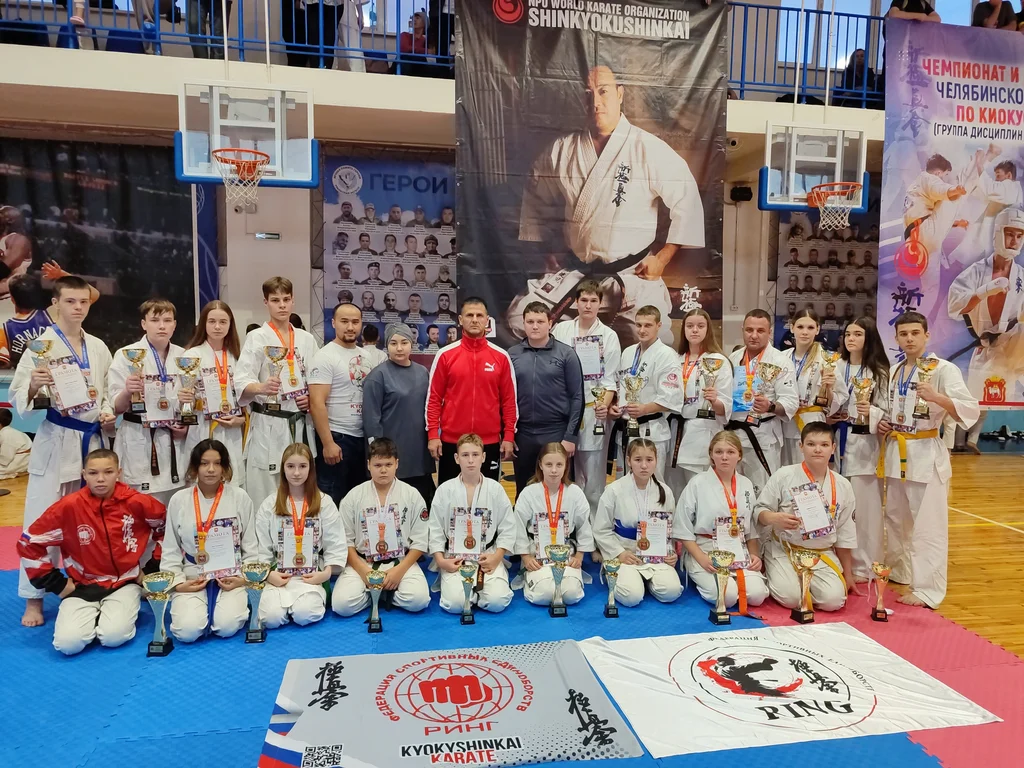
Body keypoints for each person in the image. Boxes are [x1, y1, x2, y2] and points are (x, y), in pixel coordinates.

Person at [513, 65, 704, 344]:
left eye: (603, 91)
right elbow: (535, 195)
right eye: (588, 94)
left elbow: (687, 200)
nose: (596, 102)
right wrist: (548, 249)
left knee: (653, 339)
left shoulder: (647, 147)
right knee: (519, 320)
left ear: (620, 94)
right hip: (577, 274)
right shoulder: (562, 149)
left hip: (630, 276)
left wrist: (661, 259)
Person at [12, 275, 115, 628]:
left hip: (91, 444)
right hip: (56, 441)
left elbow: (105, 391)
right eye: (70, 301)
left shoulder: (98, 347)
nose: (78, 308)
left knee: (91, 520)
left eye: (83, 301)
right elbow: (19, 401)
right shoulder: (39, 346)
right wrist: (32, 386)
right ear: (55, 303)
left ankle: (90, 583)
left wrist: (107, 412)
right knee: (41, 522)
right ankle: (33, 598)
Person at [16, 449, 166, 654]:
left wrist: (151, 570)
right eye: (93, 473)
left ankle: (113, 615)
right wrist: (57, 583)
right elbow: (28, 543)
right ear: (84, 474)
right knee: (68, 645)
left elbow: (168, 531)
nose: (101, 479)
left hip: (124, 584)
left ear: (119, 473)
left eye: (108, 472)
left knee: (113, 637)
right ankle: (93, 617)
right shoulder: (68, 507)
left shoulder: (138, 502)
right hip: (81, 586)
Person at [879, 312, 979, 607]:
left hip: (925, 451)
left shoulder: (944, 369)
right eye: (903, 334)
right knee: (895, 519)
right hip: (897, 450)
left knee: (928, 525)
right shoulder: (895, 370)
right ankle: (900, 571)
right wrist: (884, 423)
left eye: (915, 333)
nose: (909, 339)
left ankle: (928, 589)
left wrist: (937, 397)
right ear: (896, 338)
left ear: (927, 335)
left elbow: (969, 409)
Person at [160, 440, 258, 642]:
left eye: (217, 463)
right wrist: (178, 584)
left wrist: (243, 578)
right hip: (192, 575)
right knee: (186, 632)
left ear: (225, 467)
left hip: (231, 575)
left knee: (226, 627)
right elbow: (170, 548)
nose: (211, 469)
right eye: (204, 463)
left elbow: (250, 546)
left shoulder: (239, 497)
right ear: (195, 467)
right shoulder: (179, 500)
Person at [755, 422, 859, 613]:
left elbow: (846, 533)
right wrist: (774, 518)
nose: (817, 450)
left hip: (821, 552)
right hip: (785, 548)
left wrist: (848, 574)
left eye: (824, 445)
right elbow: (759, 511)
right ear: (801, 446)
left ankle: (804, 584)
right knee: (791, 599)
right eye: (811, 444)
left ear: (833, 448)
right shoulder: (784, 475)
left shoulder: (843, 485)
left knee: (833, 601)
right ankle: (783, 577)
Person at [236, 277, 319, 506]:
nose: (282, 305)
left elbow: (317, 379)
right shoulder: (256, 337)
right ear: (266, 302)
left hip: (299, 422)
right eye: (275, 300)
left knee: (300, 491)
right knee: (265, 493)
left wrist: (310, 398)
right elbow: (241, 380)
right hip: (268, 422)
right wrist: (261, 387)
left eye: (286, 299)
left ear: (293, 301)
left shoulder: (307, 339)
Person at [948, 208, 1024, 450]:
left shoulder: (1022, 277)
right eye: (1010, 234)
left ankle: (971, 440)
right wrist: (984, 291)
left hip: (1013, 342)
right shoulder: (976, 272)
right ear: (998, 233)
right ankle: (959, 442)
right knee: (975, 397)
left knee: (1000, 395)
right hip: (985, 344)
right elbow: (955, 306)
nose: (1014, 241)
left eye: (1019, 235)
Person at [334, 438, 431, 616]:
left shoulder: (411, 495)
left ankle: (381, 594)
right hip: (363, 562)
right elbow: (345, 541)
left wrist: (399, 571)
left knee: (419, 600)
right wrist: (363, 572)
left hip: (400, 561)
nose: (383, 470)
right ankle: (378, 594)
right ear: (368, 465)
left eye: (388, 464)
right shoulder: (353, 497)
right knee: (342, 606)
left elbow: (421, 540)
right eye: (378, 465)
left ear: (397, 464)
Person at [427, 297, 517, 484]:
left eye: (479, 315)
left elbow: (509, 401)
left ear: (487, 320)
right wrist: (433, 435)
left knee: (488, 496)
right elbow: (433, 399)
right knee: (450, 497)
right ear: (460, 320)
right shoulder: (445, 355)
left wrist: (509, 435)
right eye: (469, 315)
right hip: (452, 442)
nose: (474, 320)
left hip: (489, 443)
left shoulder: (501, 357)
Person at [675, 431, 768, 610]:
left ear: (739, 455)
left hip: (738, 549)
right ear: (711, 454)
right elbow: (682, 526)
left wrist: (754, 554)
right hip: (705, 548)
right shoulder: (697, 483)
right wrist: (701, 558)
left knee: (757, 596)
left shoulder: (746, 484)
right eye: (719, 452)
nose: (724, 457)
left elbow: (751, 527)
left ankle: (733, 580)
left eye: (730, 452)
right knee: (728, 596)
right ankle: (698, 575)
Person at [255, 443, 346, 628]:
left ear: (311, 468)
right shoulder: (269, 504)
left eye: (302, 466)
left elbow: (335, 543)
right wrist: (268, 574)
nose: (296, 473)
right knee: (270, 619)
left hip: (311, 574)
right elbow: (262, 546)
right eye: (291, 466)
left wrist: (326, 573)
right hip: (279, 575)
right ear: (283, 468)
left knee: (305, 614)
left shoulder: (324, 502)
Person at [108, 299, 188, 507]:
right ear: (144, 324)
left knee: (175, 504)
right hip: (139, 436)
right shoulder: (126, 355)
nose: (162, 326)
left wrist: (186, 427)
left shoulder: (185, 356)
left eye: (167, 320)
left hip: (173, 439)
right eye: (155, 320)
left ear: (174, 325)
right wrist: (128, 390)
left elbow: (193, 400)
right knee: (138, 506)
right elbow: (116, 407)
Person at [552, 280, 622, 513]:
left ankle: (593, 526)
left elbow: (610, 379)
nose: (588, 305)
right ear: (576, 302)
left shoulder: (608, 336)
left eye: (593, 301)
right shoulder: (561, 330)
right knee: (561, 468)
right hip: (563, 410)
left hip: (594, 410)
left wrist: (604, 404)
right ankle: (566, 520)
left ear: (600, 303)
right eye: (584, 300)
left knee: (593, 475)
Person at [428, 433, 518, 614]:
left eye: (475, 455)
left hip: (488, 555)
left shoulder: (495, 489)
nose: (470, 460)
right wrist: (441, 561)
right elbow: (435, 528)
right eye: (465, 455)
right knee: (456, 605)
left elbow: (508, 527)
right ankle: (468, 593)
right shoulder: (444, 490)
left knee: (497, 602)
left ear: (483, 457)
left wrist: (497, 557)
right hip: (454, 557)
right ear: (456, 458)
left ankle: (482, 591)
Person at [592, 438, 681, 606]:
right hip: (625, 553)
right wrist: (619, 553)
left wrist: (670, 553)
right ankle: (628, 579)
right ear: (629, 461)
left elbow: (670, 530)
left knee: (672, 592)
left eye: (649, 460)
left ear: (656, 461)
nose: (644, 466)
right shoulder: (614, 490)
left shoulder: (665, 491)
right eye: (638, 460)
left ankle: (647, 581)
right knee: (631, 597)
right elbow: (601, 530)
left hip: (655, 555)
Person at [509, 302, 585, 496]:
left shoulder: (566, 354)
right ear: (524, 323)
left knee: (559, 491)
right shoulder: (512, 354)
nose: (535, 326)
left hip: (556, 432)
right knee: (524, 491)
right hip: (523, 434)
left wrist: (570, 436)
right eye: (530, 322)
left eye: (540, 321)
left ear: (550, 323)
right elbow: (505, 398)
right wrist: (508, 434)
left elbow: (577, 397)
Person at [835, 317, 890, 582]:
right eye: (848, 334)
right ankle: (841, 562)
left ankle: (867, 565)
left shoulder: (879, 372)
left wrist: (872, 412)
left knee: (865, 509)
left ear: (869, 338)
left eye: (857, 334)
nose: (851, 339)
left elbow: (888, 412)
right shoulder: (836, 366)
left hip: (865, 444)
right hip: (837, 439)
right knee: (839, 506)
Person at [726, 309, 799, 496]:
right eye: (749, 330)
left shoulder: (781, 361)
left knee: (763, 493)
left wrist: (770, 406)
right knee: (733, 491)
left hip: (763, 435)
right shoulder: (733, 359)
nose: (754, 335)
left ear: (769, 332)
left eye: (760, 331)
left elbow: (791, 402)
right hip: (733, 435)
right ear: (742, 329)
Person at [513, 442, 594, 607]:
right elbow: (518, 527)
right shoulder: (529, 493)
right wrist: (526, 557)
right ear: (540, 465)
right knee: (543, 595)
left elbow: (584, 526)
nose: (554, 470)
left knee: (571, 595)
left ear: (566, 466)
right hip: (536, 556)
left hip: (567, 555)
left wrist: (579, 556)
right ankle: (531, 580)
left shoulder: (575, 493)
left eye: (559, 465)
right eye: (549, 464)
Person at [363, 324, 436, 505]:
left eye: (404, 342)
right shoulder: (378, 376)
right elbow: (371, 418)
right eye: (394, 343)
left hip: (419, 454)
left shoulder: (422, 372)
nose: (399, 348)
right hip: (391, 454)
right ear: (387, 346)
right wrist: (379, 453)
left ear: (412, 344)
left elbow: (430, 409)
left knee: (420, 505)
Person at [308, 303, 372, 505]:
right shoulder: (325, 356)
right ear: (334, 323)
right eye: (344, 321)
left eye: (355, 322)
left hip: (362, 439)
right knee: (332, 501)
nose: (350, 327)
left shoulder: (367, 356)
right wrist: (328, 443)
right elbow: (316, 403)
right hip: (338, 437)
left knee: (359, 502)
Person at [667, 308, 734, 499]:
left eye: (700, 326)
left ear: (708, 329)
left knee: (700, 492)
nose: (694, 330)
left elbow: (725, 406)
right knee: (676, 491)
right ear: (683, 330)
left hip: (703, 429)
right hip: (676, 429)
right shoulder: (676, 360)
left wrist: (714, 400)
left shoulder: (718, 361)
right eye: (690, 326)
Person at [609, 305, 681, 480]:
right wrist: (615, 406)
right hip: (627, 429)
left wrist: (644, 409)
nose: (642, 330)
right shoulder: (628, 352)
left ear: (659, 325)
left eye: (648, 325)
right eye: (638, 325)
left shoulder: (667, 355)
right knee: (624, 484)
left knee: (652, 484)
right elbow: (620, 386)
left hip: (651, 430)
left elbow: (671, 397)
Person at [181, 300, 247, 488]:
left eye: (223, 322)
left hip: (231, 429)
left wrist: (241, 419)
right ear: (203, 323)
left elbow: (245, 399)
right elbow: (184, 403)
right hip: (203, 426)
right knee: (202, 484)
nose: (217, 327)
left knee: (232, 485)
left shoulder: (237, 356)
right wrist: (185, 400)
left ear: (230, 325)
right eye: (212, 321)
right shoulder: (191, 356)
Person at [781, 309, 848, 465]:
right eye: (800, 327)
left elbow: (841, 396)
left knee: (810, 471)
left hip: (812, 422)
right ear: (792, 328)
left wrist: (829, 388)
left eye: (810, 327)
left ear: (817, 329)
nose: (805, 332)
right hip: (784, 422)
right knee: (785, 471)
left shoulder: (827, 359)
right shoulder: (781, 358)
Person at [0, 265, 99, 368]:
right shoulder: (52, 313)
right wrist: (62, 275)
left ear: (12, 299)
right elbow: (94, 294)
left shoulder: (4, 330)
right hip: (58, 371)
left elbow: (4, 366)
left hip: (29, 374)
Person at [0, 407, 31, 478]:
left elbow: (5, 460)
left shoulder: (7, 434)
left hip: (21, 461)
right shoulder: (7, 432)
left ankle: (15, 473)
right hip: (22, 459)